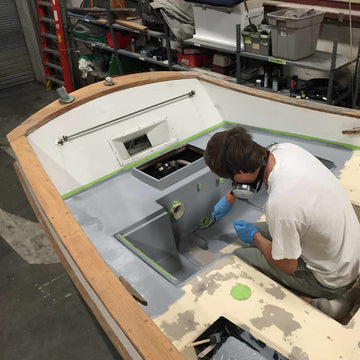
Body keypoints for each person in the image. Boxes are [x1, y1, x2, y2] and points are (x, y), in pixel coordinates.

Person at [204, 126, 360, 318]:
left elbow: (287, 266)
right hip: (349, 253)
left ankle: (327, 304)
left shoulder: (281, 205)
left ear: (241, 171)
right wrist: (230, 197)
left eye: (231, 178)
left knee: (241, 255)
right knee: (263, 230)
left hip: (333, 278)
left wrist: (255, 238)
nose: (232, 182)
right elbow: (257, 177)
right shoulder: (285, 149)